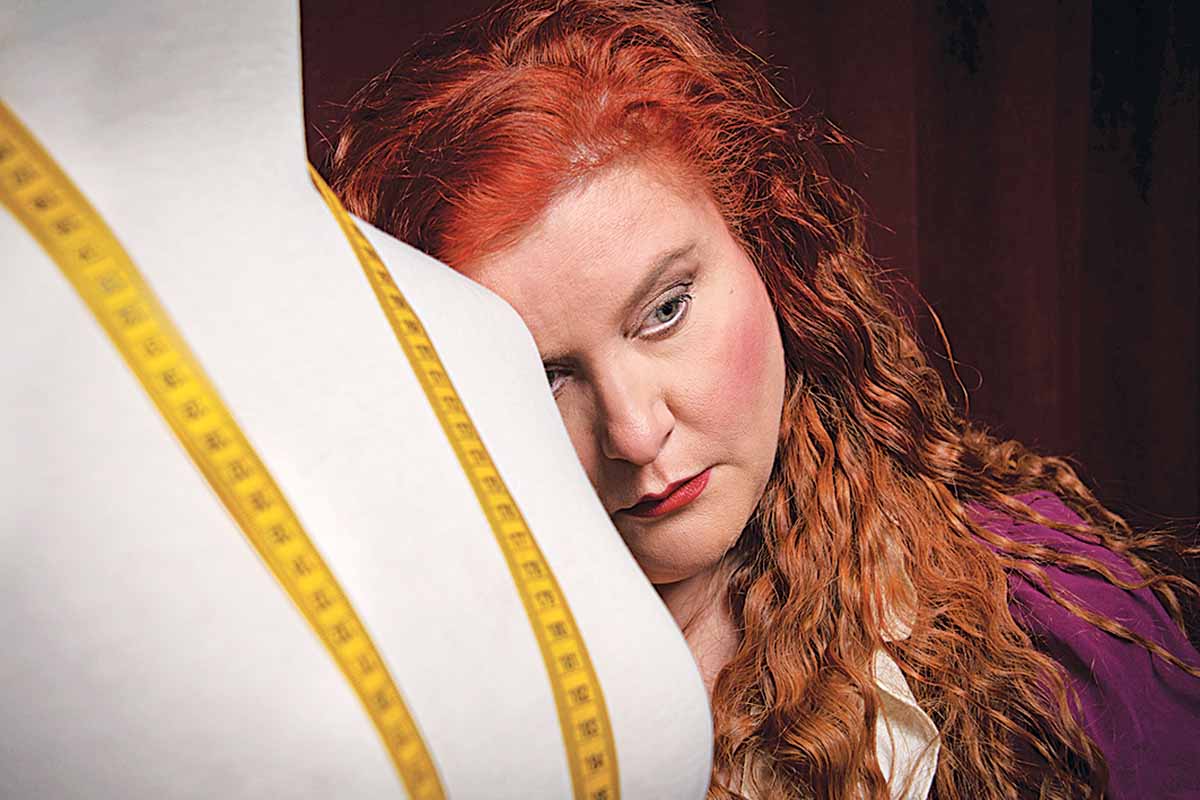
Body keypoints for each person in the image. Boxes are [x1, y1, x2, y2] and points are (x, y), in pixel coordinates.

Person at [325, 1, 1200, 797]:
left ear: (766, 253)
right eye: (542, 374)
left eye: (665, 310)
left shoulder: (1048, 628)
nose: (634, 432)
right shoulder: (405, 715)